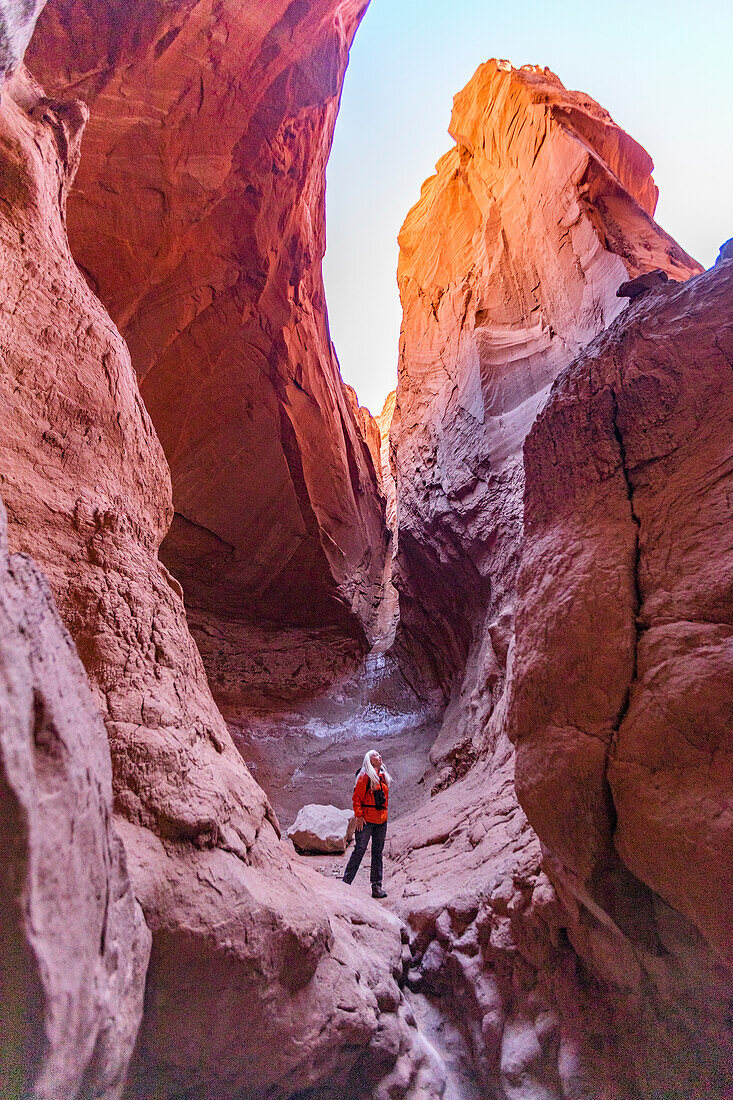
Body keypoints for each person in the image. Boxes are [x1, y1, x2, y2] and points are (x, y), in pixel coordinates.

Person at [342, 749, 391, 898]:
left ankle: (376, 887)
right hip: (367, 820)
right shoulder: (364, 777)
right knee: (360, 850)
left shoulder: (382, 776)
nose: (379, 756)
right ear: (369, 761)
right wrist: (359, 816)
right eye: (375, 755)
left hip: (381, 820)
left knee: (377, 852)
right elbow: (356, 798)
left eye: (378, 754)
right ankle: (345, 883)